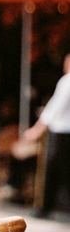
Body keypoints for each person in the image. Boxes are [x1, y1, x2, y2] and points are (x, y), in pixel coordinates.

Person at [21, 51, 70, 217]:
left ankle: (47, 207)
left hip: (61, 132)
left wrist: (36, 129)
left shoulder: (67, 81)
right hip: (64, 132)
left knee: (53, 170)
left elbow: (54, 109)